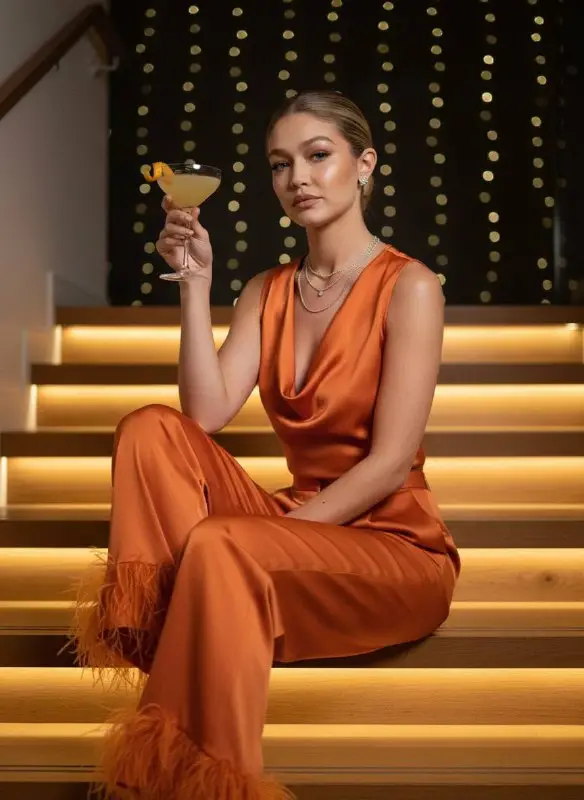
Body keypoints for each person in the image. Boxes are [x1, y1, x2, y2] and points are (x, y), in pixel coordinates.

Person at [72, 89, 461, 800]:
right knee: (149, 429)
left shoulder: (411, 287)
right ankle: (176, 617)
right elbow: (207, 411)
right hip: (292, 522)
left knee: (225, 543)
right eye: (281, 165)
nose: (298, 179)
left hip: (394, 549)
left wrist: (259, 537)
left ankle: (201, 780)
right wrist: (196, 284)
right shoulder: (268, 289)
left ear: (364, 164)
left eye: (318, 156)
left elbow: (387, 464)